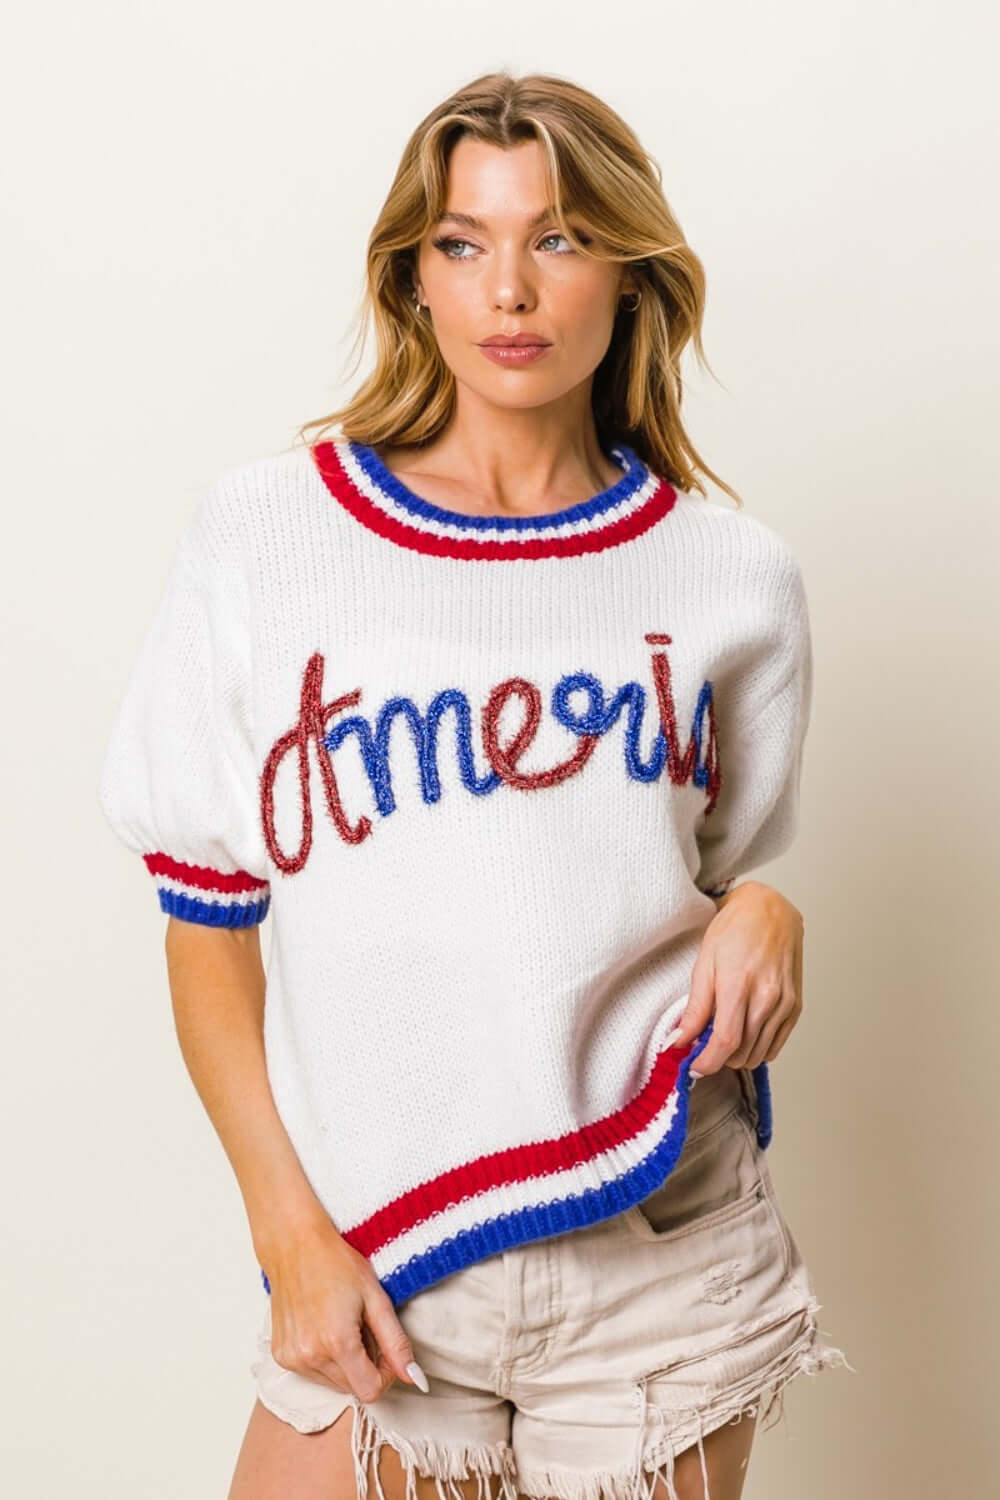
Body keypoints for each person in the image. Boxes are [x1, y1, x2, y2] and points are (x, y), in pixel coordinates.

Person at [98, 69, 852, 1500]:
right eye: (463, 243)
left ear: (630, 275)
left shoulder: (732, 577)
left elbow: (689, 879)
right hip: (386, 1250)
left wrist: (767, 908)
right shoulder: (269, 537)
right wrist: (291, 1240)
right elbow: (208, 926)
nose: (510, 287)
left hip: (657, 1245)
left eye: (558, 238)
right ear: (414, 279)